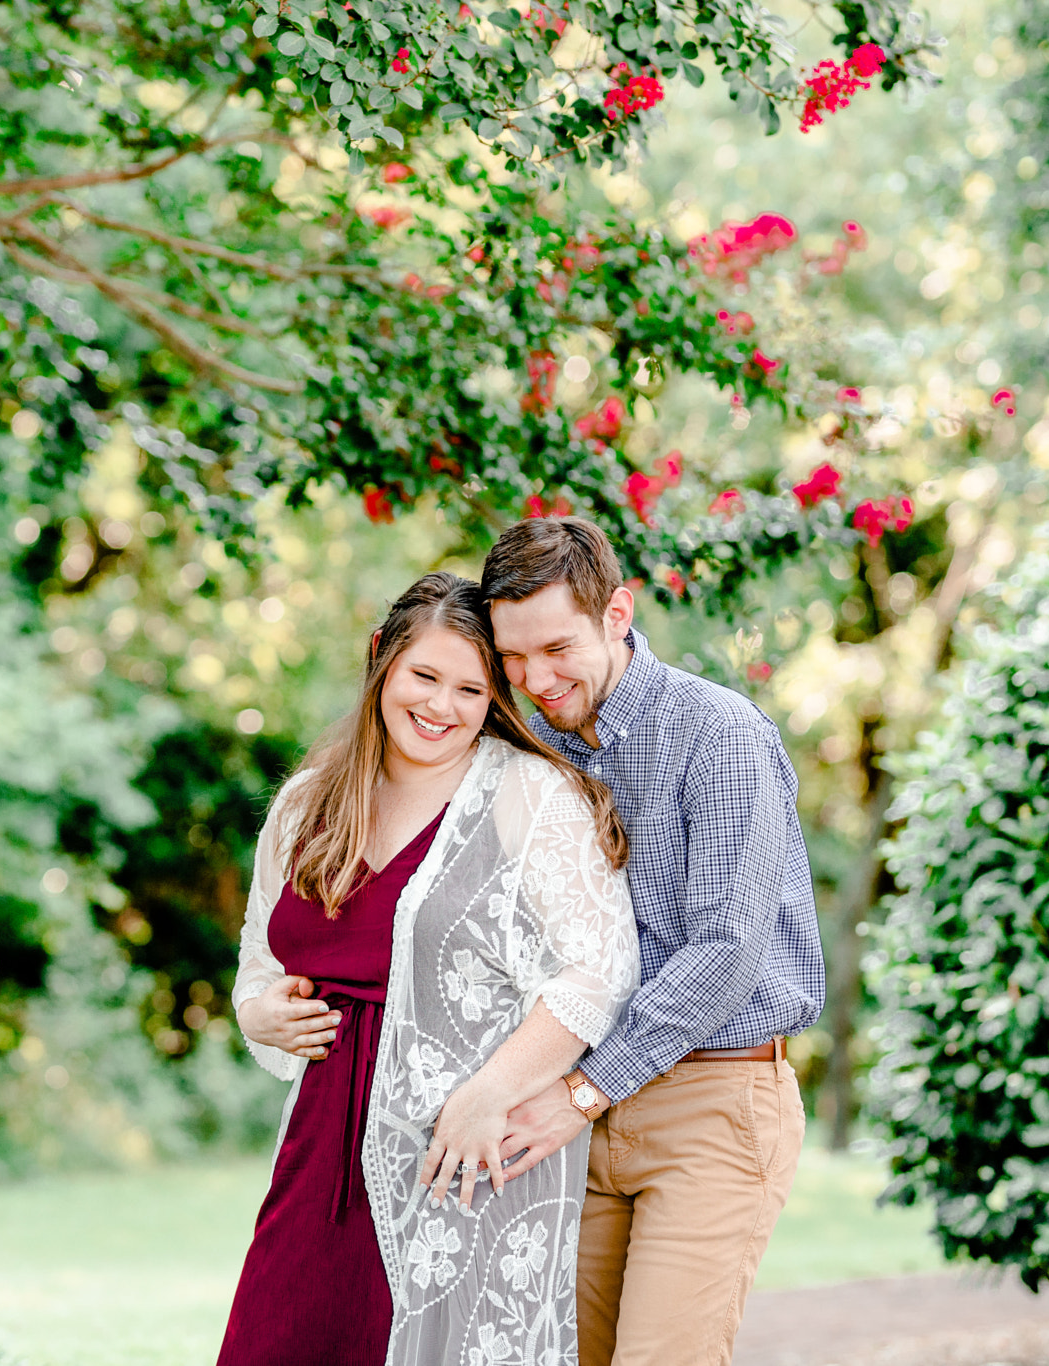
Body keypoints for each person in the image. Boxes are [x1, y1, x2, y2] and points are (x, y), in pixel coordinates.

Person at [218, 570, 640, 1366]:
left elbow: (598, 974)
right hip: (317, 1160)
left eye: (470, 690)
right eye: (424, 676)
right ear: (381, 659)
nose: (441, 706)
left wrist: (490, 1094)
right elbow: (259, 958)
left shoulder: (526, 796)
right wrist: (256, 1011)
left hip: (457, 1152)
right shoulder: (309, 803)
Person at [478, 518, 822, 1366]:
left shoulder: (718, 733)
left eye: (556, 648)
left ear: (617, 614)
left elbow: (725, 951)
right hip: (580, 1111)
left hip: (712, 1100)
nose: (535, 679)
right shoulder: (535, 749)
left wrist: (584, 1091)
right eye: (513, 658)